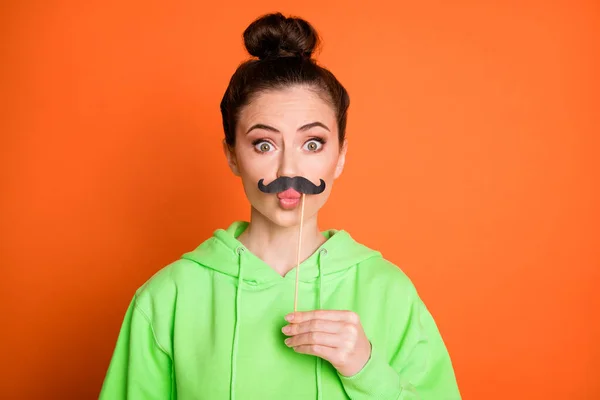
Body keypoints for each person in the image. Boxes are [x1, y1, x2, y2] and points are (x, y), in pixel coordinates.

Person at [99, 12, 461, 400]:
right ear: (232, 155)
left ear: (340, 156)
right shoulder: (166, 298)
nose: (289, 169)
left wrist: (366, 367)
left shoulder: (389, 290)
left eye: (313, 144)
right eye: (264, 144)